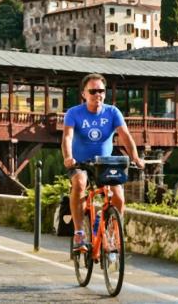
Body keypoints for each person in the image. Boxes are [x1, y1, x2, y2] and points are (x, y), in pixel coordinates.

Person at [62, 73, 144, 251]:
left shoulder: (113, 112)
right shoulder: (73, 113)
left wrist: (136, 157)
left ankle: (112, 234)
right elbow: (67, 137)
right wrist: (68, 157)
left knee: (119, 198)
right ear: (84, 94)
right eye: (93, 91)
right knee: (80, 183)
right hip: (80, 163)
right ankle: (78, 234)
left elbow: (125, 136)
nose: (97, 94)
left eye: (101, 91)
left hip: (104, 163)